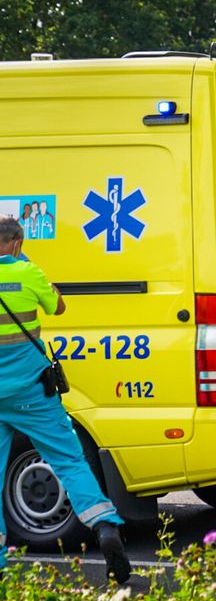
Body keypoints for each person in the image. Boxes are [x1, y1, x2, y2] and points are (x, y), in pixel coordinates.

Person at [0, 216, 130, 581]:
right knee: (69, 460)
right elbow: (58, 308)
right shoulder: (28, 272)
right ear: (16, 243)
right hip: (31, 392)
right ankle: (105, 525)